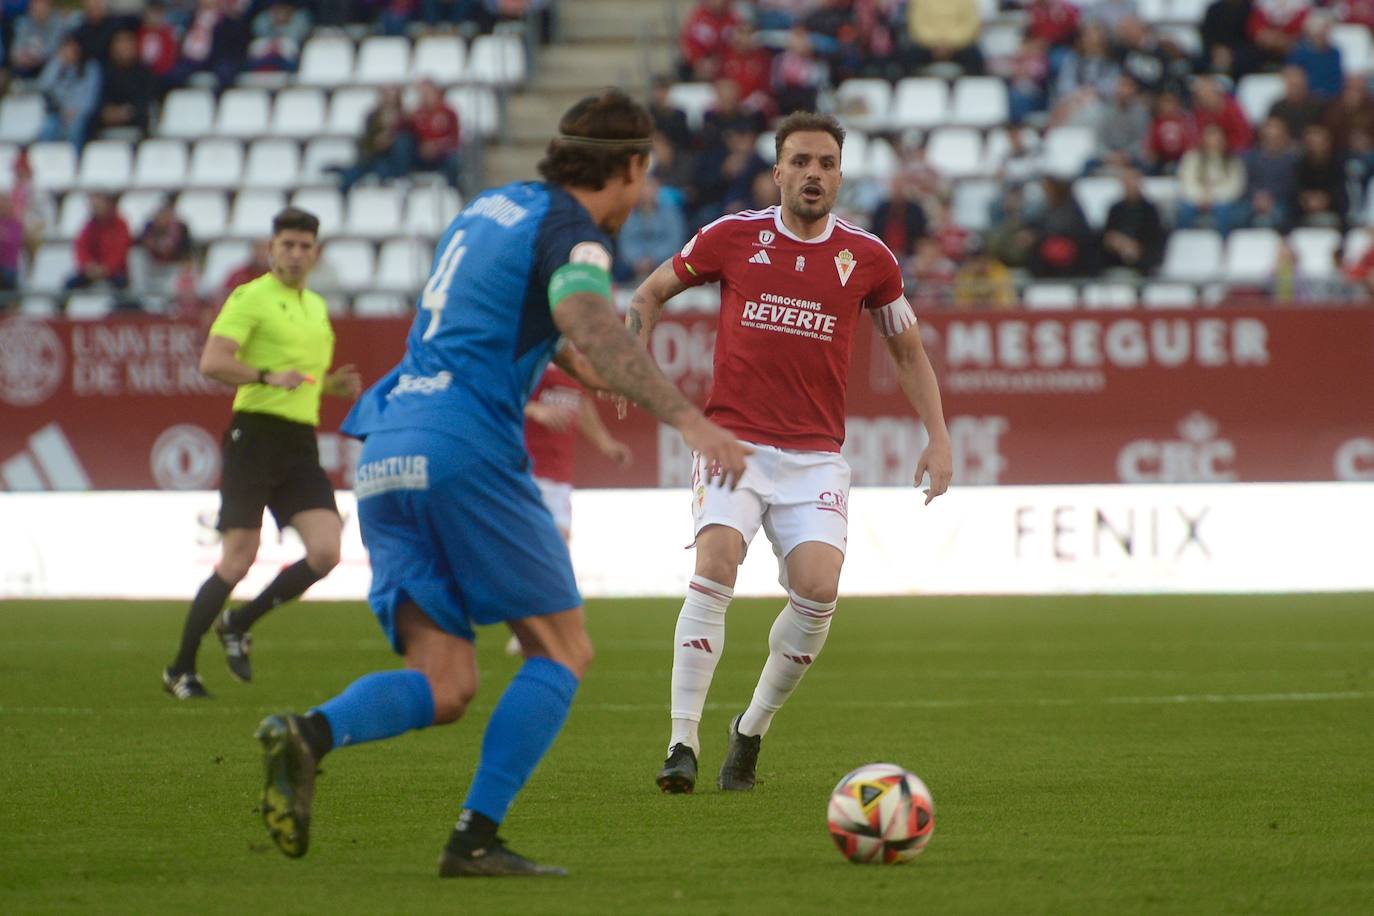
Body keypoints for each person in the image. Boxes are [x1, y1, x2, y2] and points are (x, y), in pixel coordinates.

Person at [251, 90, 748, 876]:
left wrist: (578, 364)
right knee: (563, 648)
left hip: (385, 447)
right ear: (623, 165)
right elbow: (586, 320)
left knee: (444, 683)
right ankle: (473, 838)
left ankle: (308, 735)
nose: (647, 193)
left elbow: (502, 320)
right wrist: (691, 421)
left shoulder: (490, 208)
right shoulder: (572, 233)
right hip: (464, 446)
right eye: (644, 174)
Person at [624, 111, 953, 796]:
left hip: (813, 458)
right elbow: (650, 293)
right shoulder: (732, 237)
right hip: (733, 441)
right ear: (776, 171)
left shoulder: (868, 259)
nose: (813, 173)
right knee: (715, 563)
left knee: (818, 589)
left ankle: (749, 732)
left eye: (826, 163)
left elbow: (908, 351)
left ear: (839, 174)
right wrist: (633, 365)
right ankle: (682, 741)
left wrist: (939, 436)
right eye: (800, 161)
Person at [162, 207, 362, 700]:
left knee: (326, 550)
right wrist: (266, 376)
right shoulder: (250, 297)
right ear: (270, 248)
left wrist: (331, 384)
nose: (294, 254)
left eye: (304, 246)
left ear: (316, 253)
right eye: (286, 245)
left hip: (299, 441)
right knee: (237, 560)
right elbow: (213, 362)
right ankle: (180, 669)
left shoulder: (315, 306)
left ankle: (240, 623)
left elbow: (302, 378)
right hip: (254, 436)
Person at [502, 363, 635, 656]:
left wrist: (606, 443)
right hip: (526, 470)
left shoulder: (575, 364)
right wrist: (534, 409)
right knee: (536, 549)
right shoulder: (535, 358)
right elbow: (498, 394)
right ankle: (532, 625)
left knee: (555, 548)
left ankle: (546, 625)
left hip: (559, 476)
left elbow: (582, 404)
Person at [1177, 123, 1248, 236]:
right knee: (1185, 210)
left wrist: (1213, 198)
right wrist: (1199, 197)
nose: (1214, 140)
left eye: (1217, 137)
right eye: (1210, 136)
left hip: (1222, 201)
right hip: (1195, 199)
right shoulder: (1191, 158)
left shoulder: (1233, 161)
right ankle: (1186, 244)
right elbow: (1185, 183)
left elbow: (1235, 187)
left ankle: (1222, 246)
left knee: (1225, 211)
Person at [1101, 167, 1165, 273]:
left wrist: (1134, 247)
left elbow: (1154, 238)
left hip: (1143, 260)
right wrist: (1119, 243)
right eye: (1127, 182)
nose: (1131, 185)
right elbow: (1108, 234)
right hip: (1115, 258)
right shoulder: (1115, 209)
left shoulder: (1150, 210)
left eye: (1134, 181)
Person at [65, 192, 130, 291]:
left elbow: (120, 252)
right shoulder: (90, 226)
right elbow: (81, 247)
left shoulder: (120, 226)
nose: (95, 208)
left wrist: (106, 269)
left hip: (113, 271)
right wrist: (87, 266)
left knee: (122, 286)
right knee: (68, 285)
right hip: (91, 270)